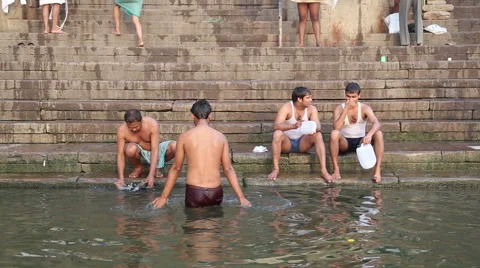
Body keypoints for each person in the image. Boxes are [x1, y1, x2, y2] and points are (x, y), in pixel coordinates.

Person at [152, 100, 251, 209]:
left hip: (195, 193)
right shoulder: (221, 137)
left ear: (192, 116)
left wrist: (163, 197)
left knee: (193, 223)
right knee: (214, 223)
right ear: (211, 116)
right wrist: (241, 197)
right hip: (216, 192)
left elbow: (176, 168)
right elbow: (228, 169)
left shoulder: (185, 137)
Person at [268, 86, 333, 183]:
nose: (311, 100)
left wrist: (310, 126)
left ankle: (324, 171)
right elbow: (276, 126)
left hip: (303, 143)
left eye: (310, 97)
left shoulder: (312, 109)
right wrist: (293, 126)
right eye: (308, 98)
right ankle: (276, 169)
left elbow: (319, 127)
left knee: (318, 135)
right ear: (299, 99)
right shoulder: (287, 107)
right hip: (287, 143)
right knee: (277, 134)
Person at [329, 82, 384, 183]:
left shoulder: (364, 108)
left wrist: (370, 135)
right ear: (345, 95)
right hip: (344, 142)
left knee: (378, 133)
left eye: (353, 97)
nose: (350, 100)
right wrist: (346, 109)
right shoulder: (339, 108)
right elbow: (336, 127)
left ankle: (377, 170)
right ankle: (336, 170)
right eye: (348, 96)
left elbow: (377, 123)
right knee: (334, 133)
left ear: (359, 95)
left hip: (361, 142)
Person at [116, 109, 176, 189]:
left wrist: (151, 175)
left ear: (141, 121)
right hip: (139, 151)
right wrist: (121, 178)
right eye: (131, 128)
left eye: (136, 126)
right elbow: (120, 154)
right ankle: (138, 168)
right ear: (126, 123)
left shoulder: (152, 124)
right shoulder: (122, 130)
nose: (134, 129)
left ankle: (156, 168)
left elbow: (155, 149)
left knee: (175, 146)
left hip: (155, 150)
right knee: (130, 149)